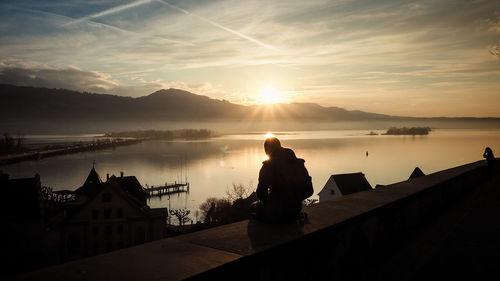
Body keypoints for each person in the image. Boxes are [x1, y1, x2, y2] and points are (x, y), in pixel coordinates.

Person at [251, 137, 313, 223]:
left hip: (277, 212)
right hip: (296, 209)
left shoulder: (267, 166)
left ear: (267, 150)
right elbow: (309, 190)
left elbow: (261, 194)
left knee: (253, 207)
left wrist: (274, 203)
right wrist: (295, 200)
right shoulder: (298, 163)